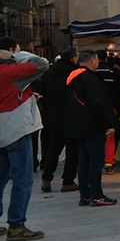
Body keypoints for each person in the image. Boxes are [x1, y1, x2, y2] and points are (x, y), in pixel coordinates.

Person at [0, 37, 49, 241]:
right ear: (10, 51)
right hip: (16, 128)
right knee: (22, 178)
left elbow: (4, 93)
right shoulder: (9, 71)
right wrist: (17, 56)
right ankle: (17, 225)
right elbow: (41, 63)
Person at [66, 50, 118, 207]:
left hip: (78, 126)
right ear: (92, 60)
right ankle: (96, 194)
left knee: (83, 161)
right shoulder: (90, 80)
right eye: (96, 61)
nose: (98, 64)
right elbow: (99, 104)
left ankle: (85, 195)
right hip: (92, 126)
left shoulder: (73, 79)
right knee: (96, 160)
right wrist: (110, 123)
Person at [38, 48, 79, 194]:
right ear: (73, 58)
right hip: (72, 115)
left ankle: (46, 178)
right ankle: (68, 181)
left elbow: (42, 95)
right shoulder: (75, 72)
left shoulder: (49, 73)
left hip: (53, 117)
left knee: (53, 149)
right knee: (72, 151)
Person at [94, 54, 120, 172]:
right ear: (106, 58)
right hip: (111, 108)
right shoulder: (115, 72)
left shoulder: (90, 74)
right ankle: (109, 163)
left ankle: (96, 161)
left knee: (94, 136)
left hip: (93, 109)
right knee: (110, 136)